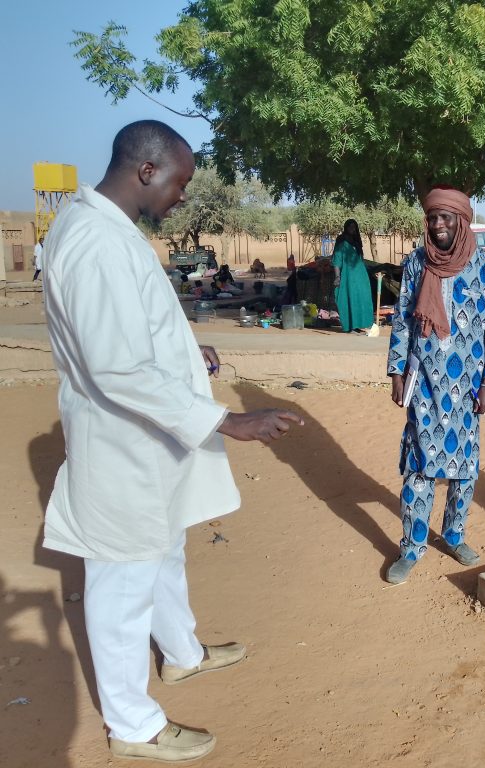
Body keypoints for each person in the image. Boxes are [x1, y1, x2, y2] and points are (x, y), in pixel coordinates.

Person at [41, 120, 303, 763]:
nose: (182, 197)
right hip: (119, 445)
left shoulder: (108, 231)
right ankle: (132, 726)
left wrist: (187, 349)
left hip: (146, 441)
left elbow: (132, 333)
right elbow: (117, 368)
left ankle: (182, 653)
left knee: (163, 550)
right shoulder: (95, 241)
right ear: (147, 170)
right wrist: (226, 421)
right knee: (122, 582)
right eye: (180, 183)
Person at [385, 186, 485, 584]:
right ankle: (411, 547)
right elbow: (402, 320)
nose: (438, 224)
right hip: (423, 382)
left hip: (468, 386)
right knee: (418, 466)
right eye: (433, 217)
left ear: (462, 221)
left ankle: (454, 535)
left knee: (464, 467)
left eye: (446, 217)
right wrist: (397, 372)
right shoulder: (416, 263)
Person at [332, 218, 374, 333]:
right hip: (348, 277)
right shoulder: (341, 240)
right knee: (348, 299)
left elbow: (360, 259)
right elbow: (336, 260)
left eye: (354, 227)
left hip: (360, 276)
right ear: (346, 228)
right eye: (350, 227)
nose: (352, 229)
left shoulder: (356, 241)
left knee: (362, 298)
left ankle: (361, 325)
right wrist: (337, 276)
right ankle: (350, 326)